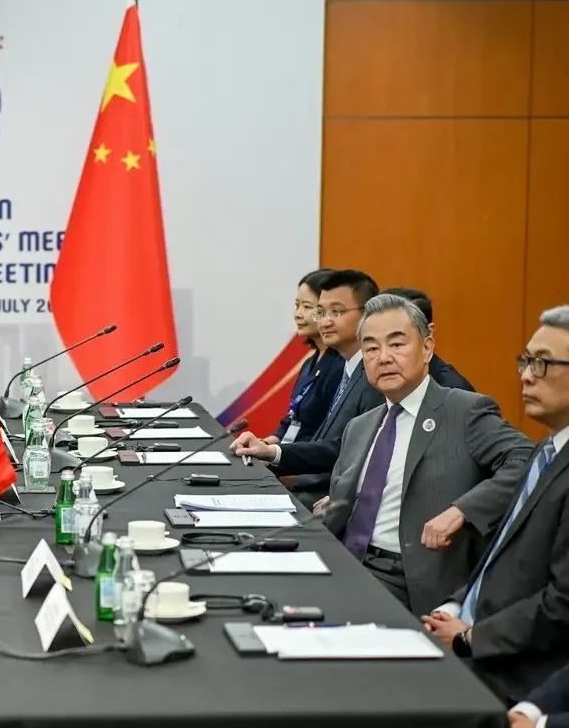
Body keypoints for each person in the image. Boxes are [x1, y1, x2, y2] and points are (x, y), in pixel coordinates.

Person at [234, 294, 532, 613]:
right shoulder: (360, 427)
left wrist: (462, 510)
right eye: (371, 348)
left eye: (397, 344)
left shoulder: (463, 410)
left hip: (406, 578)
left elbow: (527, 459)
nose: (384, 358)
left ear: (427, 347)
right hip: (343, 561)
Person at [422, 305, 569, 701]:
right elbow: (500, 559)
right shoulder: (545, 452)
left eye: (543, 364)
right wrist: (455, 607)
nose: (526, 375)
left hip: (517, 676)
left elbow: (562, 605)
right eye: (526, 361)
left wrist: (471, 637)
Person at [245, 269, 384, 509]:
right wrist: (272, 452)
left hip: (332, 498)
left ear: (367, 315)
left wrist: (276, 456)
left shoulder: (374, 376)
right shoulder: (349, 369)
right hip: (310, 483)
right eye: (320, 312)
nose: (325, 321)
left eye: (337, 312)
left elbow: (349, 452)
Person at [264, 269, 344, 445]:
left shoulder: (341, 365)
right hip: (289, 452)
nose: (298, 314)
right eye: (297, 305)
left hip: (309, 457)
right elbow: (293, 418)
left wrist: (277, 453)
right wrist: (267, 444)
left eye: (307, 307)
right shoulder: (310, 362)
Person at [381, 286, 474, 391]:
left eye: (396, 344)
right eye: (373, 346)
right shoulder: (376, 380)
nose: (383, 357)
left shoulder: (454, 391)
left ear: (428, 333)